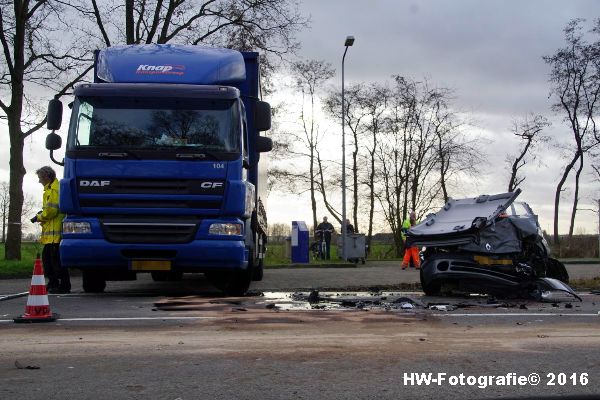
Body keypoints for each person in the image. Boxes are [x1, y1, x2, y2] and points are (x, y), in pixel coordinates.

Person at [32, 166, 70, 293]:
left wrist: (38, 217)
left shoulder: (54, 189)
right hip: (51, 234)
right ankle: (54, 283)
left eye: (40, 178)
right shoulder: (51, 189)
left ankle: (63, 285)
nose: (39, 181)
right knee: (49, 260)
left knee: (55, 261)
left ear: (47, 177)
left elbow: (51, 211)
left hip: (55, 233)